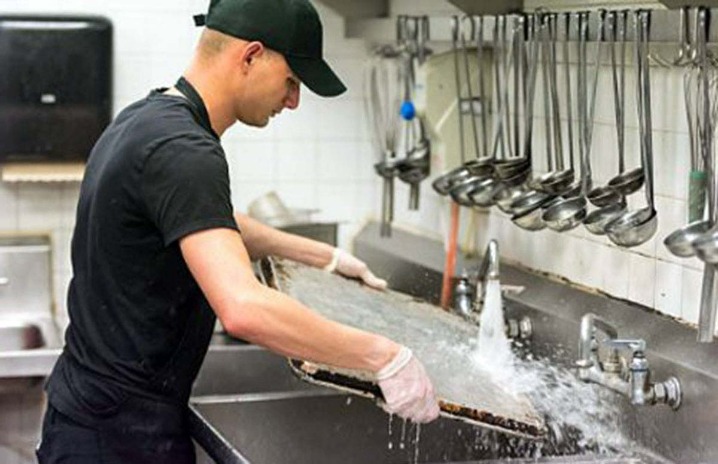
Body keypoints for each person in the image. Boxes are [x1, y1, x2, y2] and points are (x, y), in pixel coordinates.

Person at [36, 0, 440, 463]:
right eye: (292, 81)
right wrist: (384, 356)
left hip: (92, 413)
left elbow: (207, 222)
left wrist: (321, 256)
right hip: (120, 437)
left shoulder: (147, 119)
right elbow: (243, 310)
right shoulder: (186, 149)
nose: (293, 100)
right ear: (250, 56)